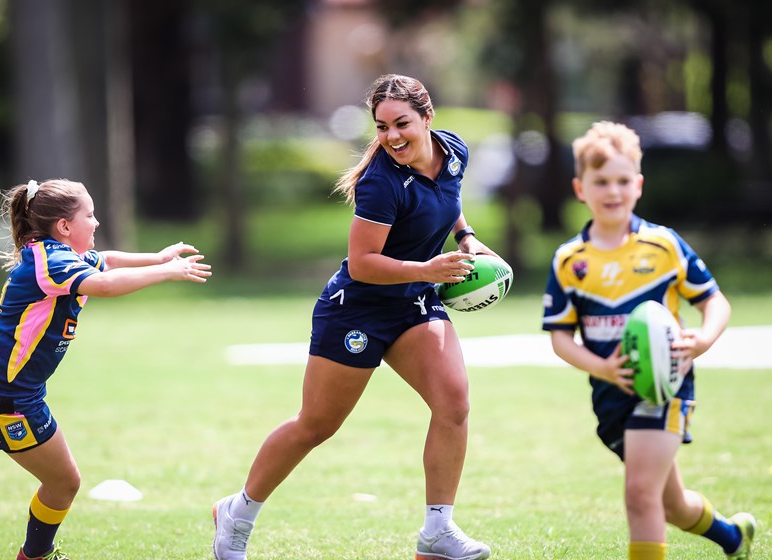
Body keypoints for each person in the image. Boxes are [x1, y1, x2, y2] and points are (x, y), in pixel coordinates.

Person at [212, 74, 496, 560]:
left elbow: (448, 203)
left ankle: (437, 532)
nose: (392, 137)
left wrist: (467, 238)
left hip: (413, 303)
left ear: (429, 118)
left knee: (454, 403)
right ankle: (237, 513)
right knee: (316, 425)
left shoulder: (454, 151)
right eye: (382, 127)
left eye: (402, 123)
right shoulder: (380, 181)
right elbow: (364, 263)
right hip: (357, 310)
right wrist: (428, 268)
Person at [0, 178, 212, 560]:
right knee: (64, 483)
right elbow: (106, 285)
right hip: (6, 391)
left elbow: (107, 261)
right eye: (90, 215)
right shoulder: (55, 261)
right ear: (64, 226)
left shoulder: (51, 252)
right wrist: (167, 273)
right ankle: (35, 557)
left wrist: (158, 257)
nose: (96, 223)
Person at [542, 121, 757, 560]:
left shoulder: (663, 245)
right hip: (609, 395)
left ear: (638, 186)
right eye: (601, 181)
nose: (613, 191)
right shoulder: (570, 260)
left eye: (623, 181)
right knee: (670, 503)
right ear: (580, 188)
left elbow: (715, 302)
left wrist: (704, 339)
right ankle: (732, 537)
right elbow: (560, 337)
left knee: (640, 494)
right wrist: (601, 367)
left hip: (665, 385)